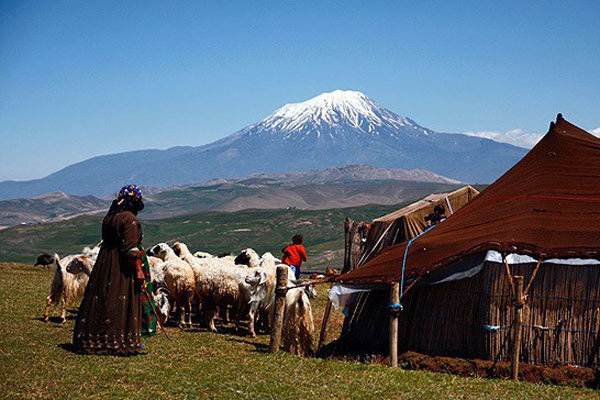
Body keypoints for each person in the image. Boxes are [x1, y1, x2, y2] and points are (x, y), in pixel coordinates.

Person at [73, 185, 157, 355]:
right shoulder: (129, 219)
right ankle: (120, 341)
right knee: (122, 299)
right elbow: (131, 249)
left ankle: (95, 338)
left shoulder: (110, 217)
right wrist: (139, 271)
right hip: (122, 266)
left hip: (105, 263)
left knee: (104, 297)